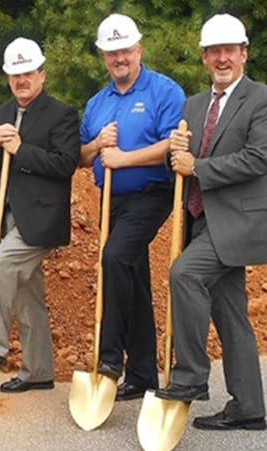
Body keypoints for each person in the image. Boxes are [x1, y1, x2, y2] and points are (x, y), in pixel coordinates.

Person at [158, 14, 267, 432]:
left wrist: (196, 164)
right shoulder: (193, 105)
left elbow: (260, 158)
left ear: (244, 54)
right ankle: (249, 408)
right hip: (204, 220)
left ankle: (192, 377)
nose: (221, 58)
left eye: (229, 50)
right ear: (204, 56)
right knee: (232, 315)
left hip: (242, 221)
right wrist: (173, 154)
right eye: (214, 51)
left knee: (184, 275)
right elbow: (182, 161)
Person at [78, 14, 185, 400]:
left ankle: (110, 358)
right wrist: (97, 145)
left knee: (116, 258)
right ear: (104, 57)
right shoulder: (97, 103)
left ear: (138, 49)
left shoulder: (164, 91)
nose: (118, 58)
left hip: (152, 193)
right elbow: (82, 155)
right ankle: (143, 376)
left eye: (124, 50)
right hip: (112, 201)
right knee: (134, 281)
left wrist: (125, 158)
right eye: (111, 52)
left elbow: (174, 142)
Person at [0, 37, 79, 393]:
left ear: (42, 75)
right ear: (8, 78)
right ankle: (39, 372)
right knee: (26, 294)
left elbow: (66, 164)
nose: (22, 80)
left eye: (28, 73)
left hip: (42, 219)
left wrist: (21, 150)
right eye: (15, 74)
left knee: (2, 263)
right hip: (7, 217)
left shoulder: (61, 114)